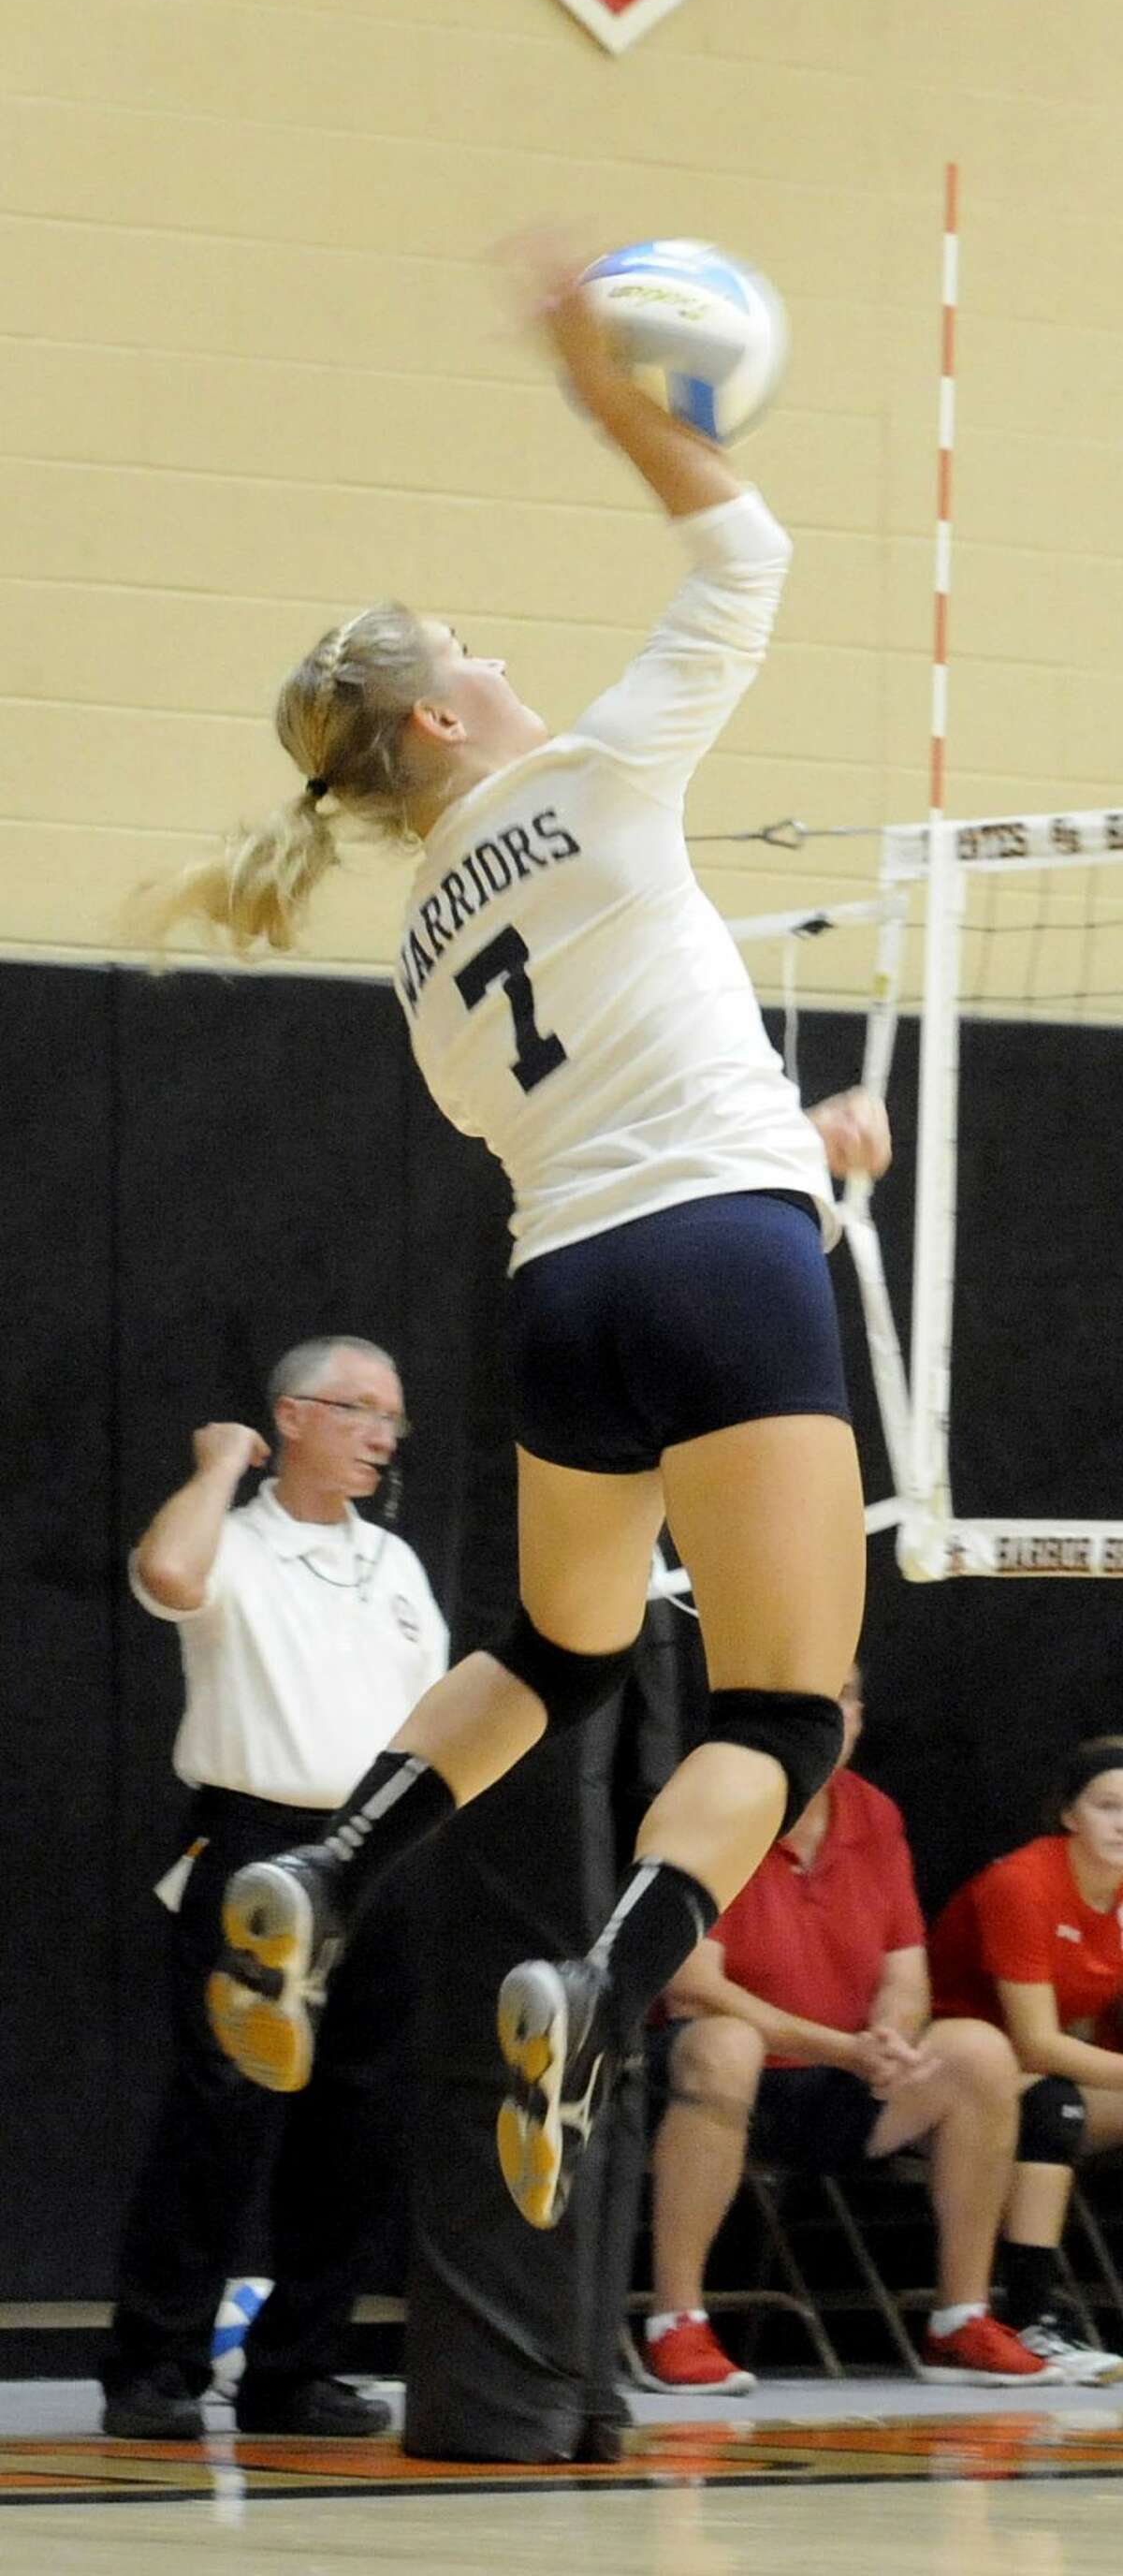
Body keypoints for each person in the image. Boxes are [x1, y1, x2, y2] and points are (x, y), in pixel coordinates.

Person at [145, 230, 891, 2240]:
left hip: (570, 1287)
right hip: (721, 1256)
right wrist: (619, 400)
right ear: (445, 725)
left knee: (558, 1645)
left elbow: (595, 1119)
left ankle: (323, 1865)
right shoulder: (594, 775)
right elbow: (752, 567)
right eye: (468, 650)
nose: (502, 661)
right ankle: (596, 1975)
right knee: (785, 1710)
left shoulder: (413, 949)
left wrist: (791, 1162)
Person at [102, 1335, 449, 2440]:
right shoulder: (230, 1541)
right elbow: (166, 1579)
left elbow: (436, 1711)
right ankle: (154, 2367)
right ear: (292, 1418)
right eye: (357, 1410)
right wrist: (217, 1465)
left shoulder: (393, 1561)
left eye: (394, 1415)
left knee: (357, 2120)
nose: (382, 1435)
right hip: (254, 1846)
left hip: (379, 1851)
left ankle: (294, 2370)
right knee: (223, 2112)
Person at [642, 1666, 1050, 2389]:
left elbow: (905, 1972)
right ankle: (676, 2321)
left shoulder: (875, 1814)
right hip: (715, 2079)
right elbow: (694, 1989)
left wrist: (891, 2035)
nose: (832, 1719)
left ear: (859, 1717)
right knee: (723, 2044)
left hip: (844, 2079)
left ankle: (960, 2316)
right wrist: (843, 2047)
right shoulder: (712, 1807)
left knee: (979, 2051)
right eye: (812, 1704)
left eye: (845, 1700)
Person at [928, 1734, 1123, 2384]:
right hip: (948, 2076)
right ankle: (1029, 2314)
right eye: (1109, 1805)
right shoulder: (1022, 1884)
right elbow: (1036, 2042)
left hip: (1043, 2073)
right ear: (1069, 1814)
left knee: (1058, 2099)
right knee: (1054, 2106)